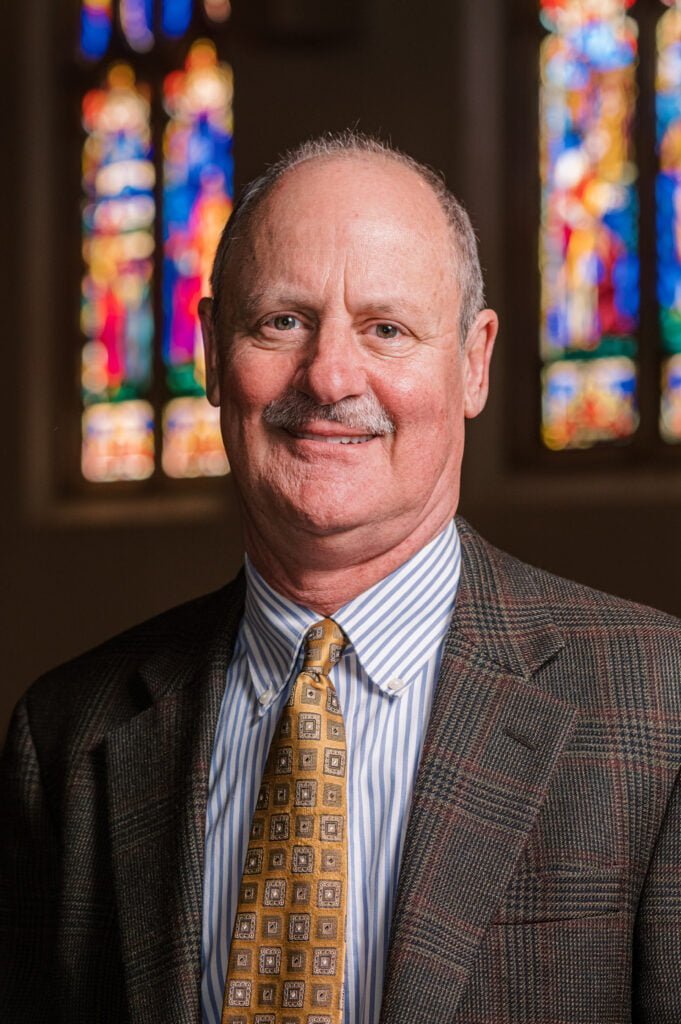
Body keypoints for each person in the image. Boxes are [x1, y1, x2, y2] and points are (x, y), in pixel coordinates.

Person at [2, 131, 680, 1024]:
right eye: (280, 321)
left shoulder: (661, 707)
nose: (327, 377)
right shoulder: (66, 737)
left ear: (473, 361)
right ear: (211, 352)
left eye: (385, 329)